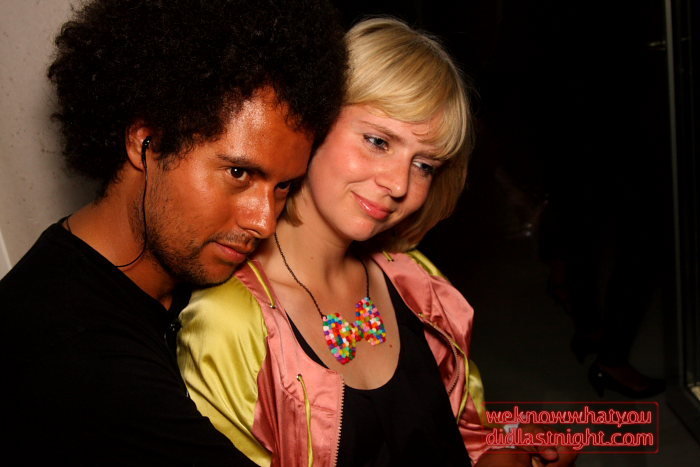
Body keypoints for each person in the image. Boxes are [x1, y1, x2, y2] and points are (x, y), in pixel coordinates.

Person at [178, 18, 575, 467]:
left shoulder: (416, 281)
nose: (399, 184)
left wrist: (508, 448)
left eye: (424, 165)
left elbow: (458, 434)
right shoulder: (228, 324)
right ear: (313, 121)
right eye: (378, 141)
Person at [1, 0, 346, 465]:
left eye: (284, 186)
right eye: (239, 173)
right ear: (146, 142)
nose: (263, 221)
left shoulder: (165, 269)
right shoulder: (74, 357)